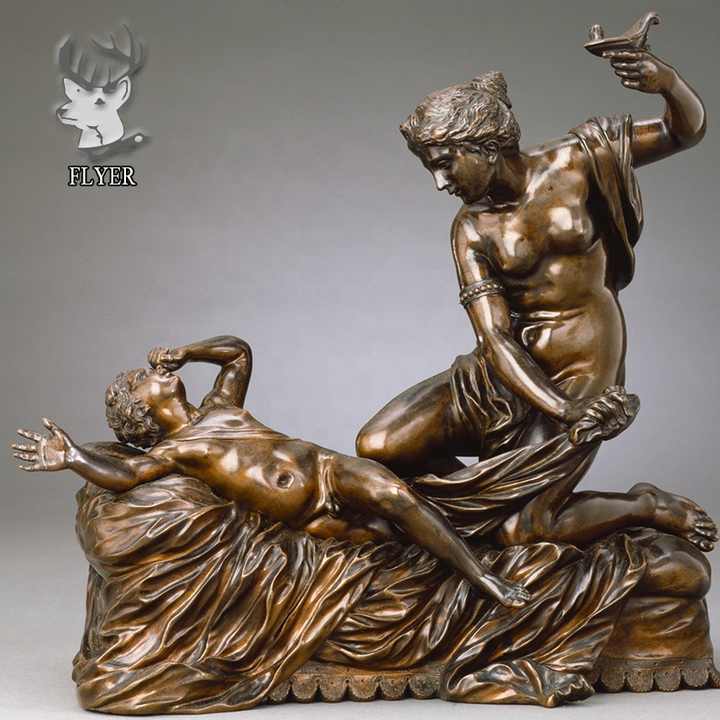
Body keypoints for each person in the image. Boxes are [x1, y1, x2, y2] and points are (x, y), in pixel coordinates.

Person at [356, 50, 715, 550]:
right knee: (377, 445)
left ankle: (646, 505)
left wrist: (668, 82)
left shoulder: (579, 160)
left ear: (484, 147)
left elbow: (684, 131)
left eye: (444, 165)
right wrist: (561, 411)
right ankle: (470, 511)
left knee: (525, 530)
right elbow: (495, 337)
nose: (440, 183)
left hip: (583, 362)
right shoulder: (470, 229)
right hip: (511, 367)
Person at [11, 334, 532, 608]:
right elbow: (130, 476)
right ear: (141, 408)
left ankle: (484, 578)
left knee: (396, 497)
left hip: (327, 472)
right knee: (392, 546)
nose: (152, 372)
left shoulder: (219, 407)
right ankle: (481, 550)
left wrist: (189, 352)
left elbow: (238, 354)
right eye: (140, 379)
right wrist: (74, 457)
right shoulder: (176, 451)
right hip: (306, 517)